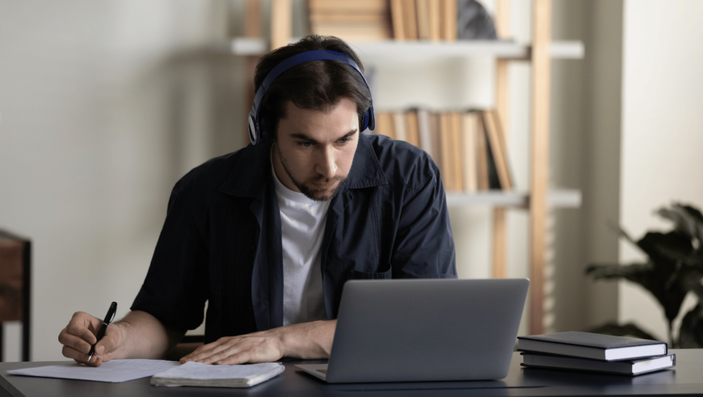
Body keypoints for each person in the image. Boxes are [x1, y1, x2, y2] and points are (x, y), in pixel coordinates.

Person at [58, 35, 456, 367]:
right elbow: (164, 318)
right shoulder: (204, 191)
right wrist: (118, 338)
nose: (329, 166)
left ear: (364, 124)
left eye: (344, 139)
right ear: (264, 130)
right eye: (305, 143)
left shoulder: (410, 177)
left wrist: (280, 341)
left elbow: (426, 320)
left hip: (371, 385)